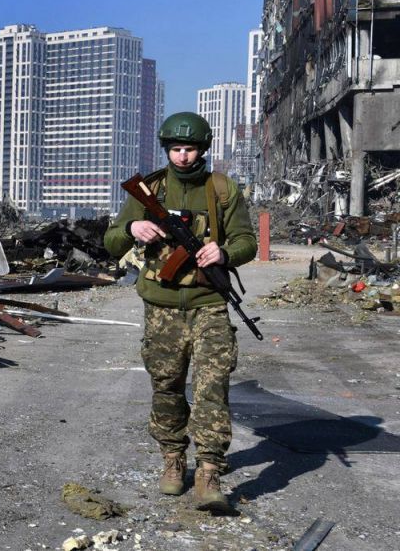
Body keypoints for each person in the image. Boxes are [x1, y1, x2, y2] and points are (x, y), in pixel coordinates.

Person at [103, 112, 257, 512]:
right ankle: (173, 461)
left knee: (212, 388)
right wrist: (133, 230)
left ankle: (209, 470)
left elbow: (246, 241)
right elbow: (111, 240)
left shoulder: (222, 189)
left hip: (208, 305)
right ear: (167, 149)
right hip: (162, 307)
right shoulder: (146, 190)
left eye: (189, 149)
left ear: (202, 149)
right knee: (167, 387)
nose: (183, 156)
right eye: (176, 149)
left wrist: (224, 252)